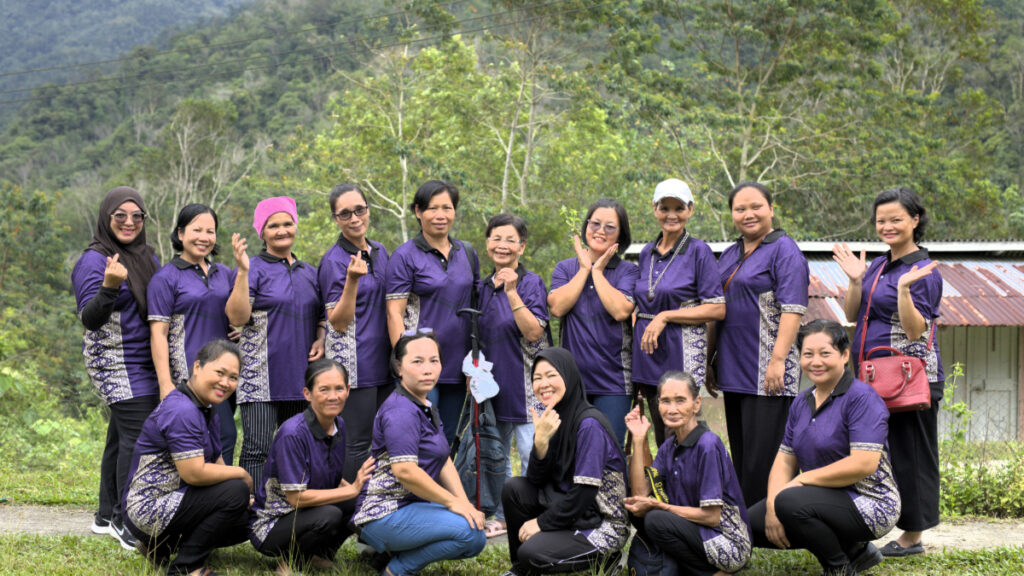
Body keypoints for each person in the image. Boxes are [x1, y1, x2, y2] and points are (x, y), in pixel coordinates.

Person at [832, 186, 942, 557]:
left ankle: (913, 535)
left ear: (915, 219)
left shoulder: (922, 268)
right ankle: (876, 521)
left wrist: (906, 293)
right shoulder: (878, 265)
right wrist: (854, 280)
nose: (888, 226)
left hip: (910, 378)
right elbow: (851, 314)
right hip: (872, 376)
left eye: (896, 219)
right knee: (877, 452)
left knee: (911, 452)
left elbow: (916, 330)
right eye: (881, 220)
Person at [748, 320, 900, 576]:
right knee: (751, 523)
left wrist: (802, 480)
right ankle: (854, 550)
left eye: (825, 353)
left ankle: (838, 566)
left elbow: (864, 463)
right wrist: (773, 508)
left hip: (872, 502)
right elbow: (785, 460)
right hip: (819, 497)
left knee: (791, 502)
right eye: (808, 354)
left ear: (843, 355)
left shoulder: (862, 398)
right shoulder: (802, 401)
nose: (815, 362)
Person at [352, 329, 486, 576]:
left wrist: (465, 503)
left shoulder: (424, 404)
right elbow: (405, 471)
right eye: (417, 361)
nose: (428, 369)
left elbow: (443, 459)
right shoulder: (400, 411)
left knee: (472, 525)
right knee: (471, 534)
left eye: (434, 361)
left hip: (410, 505)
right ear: (398, 368)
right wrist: (452, 502)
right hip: (384, 512)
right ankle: (398, 569)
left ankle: (393, 554)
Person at [72, 185, 160, 550]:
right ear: (106, 219)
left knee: (121, 435)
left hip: (145, 359)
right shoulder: (94, 260)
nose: (129, 222)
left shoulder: (147, 256)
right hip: (114, 361)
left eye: (136, 216)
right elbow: (89, 319)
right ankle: (129, 522)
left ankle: (107, 515)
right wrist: (109, 287)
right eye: (120, 215)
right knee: (138, 436)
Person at [710, 181, 808, 506]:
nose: (748, 214)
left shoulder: (784, 250)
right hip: (733, 369)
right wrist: (711, 359)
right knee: (742, 454)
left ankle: (774, 523)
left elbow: (793, 309)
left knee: (765, 458)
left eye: (756, 206)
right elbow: (716, 309)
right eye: (740, 209)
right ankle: (748, 528)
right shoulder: (729, 253)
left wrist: (778, 360)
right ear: (732, 215)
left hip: (768, 372)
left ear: (771, 208)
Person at [123, 339, 252, 576]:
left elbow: (216, 460)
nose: (226, 382)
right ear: (197, 367)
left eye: (233, 377)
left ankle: (162, 546)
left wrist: (247, 497)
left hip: (177, 499)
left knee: (252, 516)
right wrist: (242, 474)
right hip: (148, 509)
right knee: (236, 492)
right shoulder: (182, 410)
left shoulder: (206, 406)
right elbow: (194, 473)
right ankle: (186, 567)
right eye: (220, 372)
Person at [226, 196, 326, 490]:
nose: (282, 230)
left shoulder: (310, 272)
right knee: (257, 449)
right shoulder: (252, 268)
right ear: (262, 232)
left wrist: (320, 337)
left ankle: (291, 509)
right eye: (273, 226)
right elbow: (237, 317)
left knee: (295, 448)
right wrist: (242, 271)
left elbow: (321, 315)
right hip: (260, 376)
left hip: (301, 377)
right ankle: (253, 511)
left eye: (287, 223)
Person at [501, 347, 629, 576]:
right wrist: (540, 442)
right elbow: (535, 480)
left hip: (601, 522)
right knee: (515, 489)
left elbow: (584, 493)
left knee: (532, 553)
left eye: (551, 375)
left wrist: (540, 523)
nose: (543, 384)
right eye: (537, 378)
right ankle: (522, 570)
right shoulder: (554, 417)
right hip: (573, 510)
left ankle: (608, 559)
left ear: (568, 376)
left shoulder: (589, 424)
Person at [250, 358, 375, 575]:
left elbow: (335, 479)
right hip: (272, 524)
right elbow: (296, 498)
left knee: (360, 498)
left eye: (339, 388)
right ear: (307, 394)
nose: (333, 396)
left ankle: (318, 556)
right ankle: (290, 563)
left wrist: (360, 493)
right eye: (324, 389)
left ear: (347, 390)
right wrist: (351, 490)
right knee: (330, 515)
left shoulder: (339, 424)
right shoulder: (293, 434)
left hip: (306, 513)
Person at [624, 371, 751, 576]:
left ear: (696, 403)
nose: (672, 409)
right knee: (638, 511)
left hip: (729, 543)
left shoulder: (707, 445)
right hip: (695, 532)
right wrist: (639, 439)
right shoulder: (669, 446)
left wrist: (662, 507)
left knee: (656, 519)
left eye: (680, 400)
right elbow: (640, 494)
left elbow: (712, 517)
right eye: (665, 401)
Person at [385, 180, 479, 445]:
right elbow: (394, 314)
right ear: (418, 211)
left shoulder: (468, 253)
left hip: (458, 366)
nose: (441, 215)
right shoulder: (405, 256)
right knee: (422, 439)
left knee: (449, 441)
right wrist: (403, 363)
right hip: (421, 366)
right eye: (432, 208)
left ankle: (446, 488)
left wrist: (475, 362)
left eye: (447, 208)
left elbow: (474, 311)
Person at [633, 180, 725, 446]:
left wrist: (665, 316)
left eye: (679, 208)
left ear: (690, 210)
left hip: (682, 352)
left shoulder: (699, 251)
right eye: (664, 208)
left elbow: (717, 308)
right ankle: (663, 485)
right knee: (659, 430)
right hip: (648, 354)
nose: (671, 215)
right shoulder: (645, 254)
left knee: (682, 428)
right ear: (654, 209)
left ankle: (691, 484)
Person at [476, 213, 550, 537]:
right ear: (487, 243)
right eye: (496, 238)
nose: (502, 245)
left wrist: (511, 291)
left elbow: (534, 333)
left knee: (533, 454)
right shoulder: (480, 288)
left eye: (510, 239)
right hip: (492, 389)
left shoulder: (531, 282)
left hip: (528, 388)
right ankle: (506, 516)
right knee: (496, 458)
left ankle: (543, 516)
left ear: (521, 246)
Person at [148, 203, 237, 464]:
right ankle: (214, 498)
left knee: (222, 438)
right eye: (196, 229)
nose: (204, 237)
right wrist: (166, 384)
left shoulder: (225, 274)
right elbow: (158, 334)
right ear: (181, 233)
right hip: (188, 375)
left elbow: (238, 315)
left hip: (225, 372)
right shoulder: (166, 278)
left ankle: (222, 497)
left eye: (210, 231)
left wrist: (242, 332)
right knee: (202, 440)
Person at [317, 184, 392, 481]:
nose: (354, 218)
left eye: (359, 210)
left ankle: (380, 508)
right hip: (354, 364)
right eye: (345, 213)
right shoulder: (334, 261)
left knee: (384, 440)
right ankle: (351, 510)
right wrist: (352, 280)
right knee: (357, 443)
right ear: (336, 219)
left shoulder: (380, 251)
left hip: (385, 362)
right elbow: (337, 321)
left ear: (368, 210)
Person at [548, 199, 638, 446]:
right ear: (586, 226)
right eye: (595, 223)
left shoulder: (627, 271)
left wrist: (597, 272)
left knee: (610, 448)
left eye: (610, 227)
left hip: (615, 381)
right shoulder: (566, 268)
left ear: (621, 234)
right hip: (571, 381)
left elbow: (620, 310)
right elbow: (557, 307)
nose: (600, 230)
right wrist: (584, 269)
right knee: (571, 448)